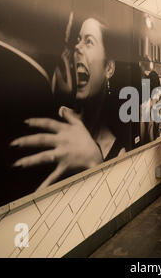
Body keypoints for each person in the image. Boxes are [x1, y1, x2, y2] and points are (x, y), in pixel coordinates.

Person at [11, 18, 126, 190]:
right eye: (78, 40)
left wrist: (95, 162)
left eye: (89, 42)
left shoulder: (119, 153)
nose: (78, 47)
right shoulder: (58, 118)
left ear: (108, 68)